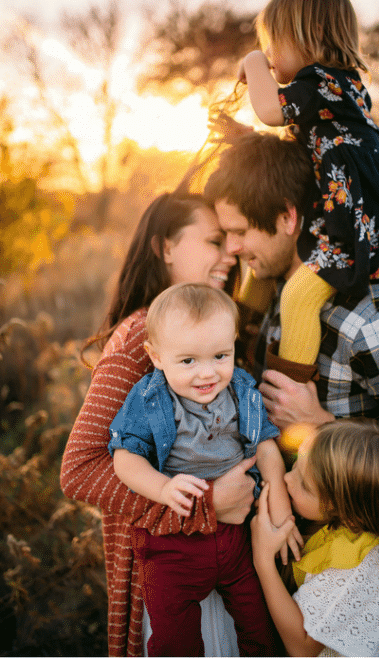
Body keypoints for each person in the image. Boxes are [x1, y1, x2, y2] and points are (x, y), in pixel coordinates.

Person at [60, 193, 262, 656]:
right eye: (214, 240)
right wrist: (205, 505)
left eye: (232, 239)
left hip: (221, 565)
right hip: (174, 569)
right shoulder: (140, 340)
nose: (230, 252)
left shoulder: (204, 329)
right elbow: (80, 469)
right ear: (165, 248)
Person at [202, 123, 379, 481]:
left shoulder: (376, 318)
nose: (231, 249)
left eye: (240, 232)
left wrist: (324, 426)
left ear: (288, 217)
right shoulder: (278, 288)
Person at [236, 0, 379, 383]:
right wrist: (244, 139)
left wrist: (250, 62)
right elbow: (298, 149)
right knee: (261, 274)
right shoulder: (341, 92)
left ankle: (288, 400)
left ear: (308, 38)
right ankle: (238, 345)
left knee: (298, 296)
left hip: (352, 229)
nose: (267, 56)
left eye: (271, 44)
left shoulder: (320, 83)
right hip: (350, 217)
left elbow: (268, 110)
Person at [107, 283, 291, 656]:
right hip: (172, 548)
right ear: (156, 357)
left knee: (259, 627)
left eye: (220, 355)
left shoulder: (241, 388)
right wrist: (161, 489)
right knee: (176, 641)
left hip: (236, 538)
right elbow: (124, 457)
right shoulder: (150, 399)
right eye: (188, 361)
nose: (207, 374)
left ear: (234, 345)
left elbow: (266, 446)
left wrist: (279, 505)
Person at [251, 418, 379, 657]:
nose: (287, 479)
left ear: (349, 514)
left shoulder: (352, 564)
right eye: (296, 463)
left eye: (305, 486)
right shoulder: (330, 523)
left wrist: (263, 559)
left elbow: (303, 649)